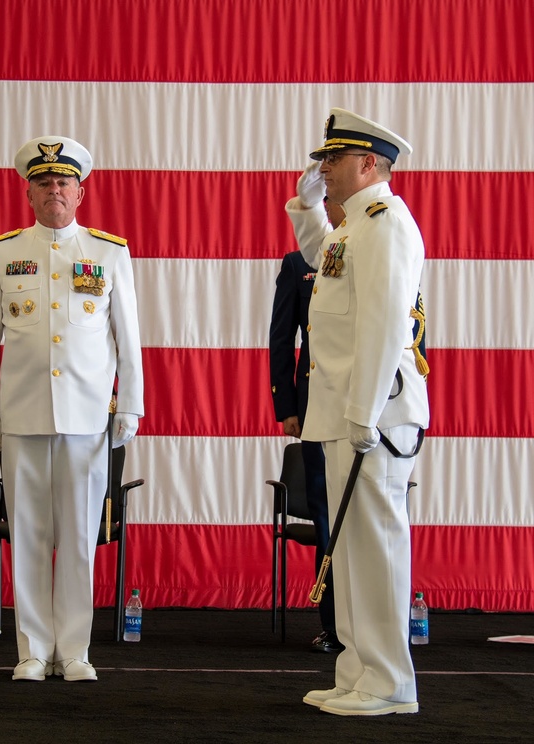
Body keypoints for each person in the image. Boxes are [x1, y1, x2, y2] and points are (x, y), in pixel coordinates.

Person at [0, 136, 145, 682]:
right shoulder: (0, 253)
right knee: (27, 534)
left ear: (81, 192)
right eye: (44, 182)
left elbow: (127, 339)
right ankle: (31, 650)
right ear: (28, 193)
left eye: (63, 182)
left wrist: (131, 405)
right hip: (21, 414)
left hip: (88, 418)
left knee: (78, 536)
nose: (54, 190)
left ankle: (74, 651)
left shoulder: (108, 252)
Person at [284, 108, 429, 716]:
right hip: (348, 412)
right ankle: (357, 669)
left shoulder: (389, 223)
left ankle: (391, 681)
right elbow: (325, 260)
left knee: (376, 548)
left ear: (369, 163)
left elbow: (385, 324)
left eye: (333, 160)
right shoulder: (355, 227)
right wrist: (306, 206)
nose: (324, 169)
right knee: (347, 547)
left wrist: (364, 411)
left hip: (375, 413)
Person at [268, 196, 346, 655]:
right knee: (326, 517)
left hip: (365, 407)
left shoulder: (374, 249)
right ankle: (334, 627)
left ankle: (373, 628)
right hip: (316, 408)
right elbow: (283, 337)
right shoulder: (299, 262)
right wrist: (288, 406)